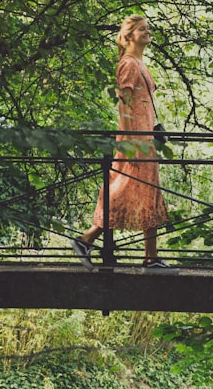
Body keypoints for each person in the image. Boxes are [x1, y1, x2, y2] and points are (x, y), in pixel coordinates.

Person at [71, 16, 173, 271]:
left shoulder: (139, 63)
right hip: (134, 141)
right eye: (142, 29)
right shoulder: (128, 64)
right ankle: (86, 239)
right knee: (122, 190)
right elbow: (124, 104)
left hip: (144, 139)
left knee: (148, 193)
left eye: (148, 28)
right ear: (128, 36)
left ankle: (150, 256)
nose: (148, 32)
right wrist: (128, 143)